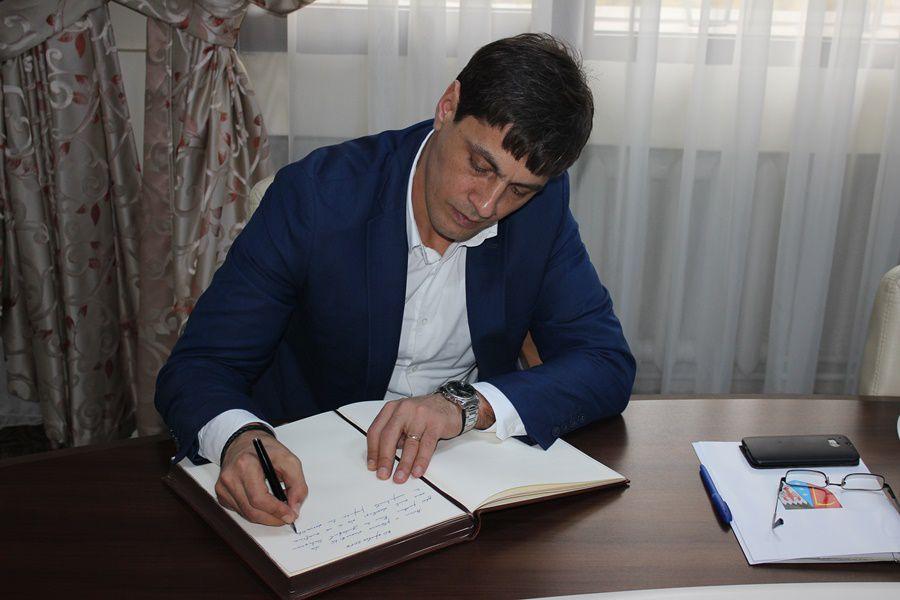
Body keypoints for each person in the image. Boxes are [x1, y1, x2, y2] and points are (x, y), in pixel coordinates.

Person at [155, 33, 636, 528]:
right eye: (479, 165)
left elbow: (605, 362)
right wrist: (239, 439)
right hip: (312, 480)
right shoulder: (317, 197)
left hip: (458, 479)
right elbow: (199, 366)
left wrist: (467, 406)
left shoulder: (542, 208)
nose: (486, 205)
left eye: (517, 189)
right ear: (447, 106)